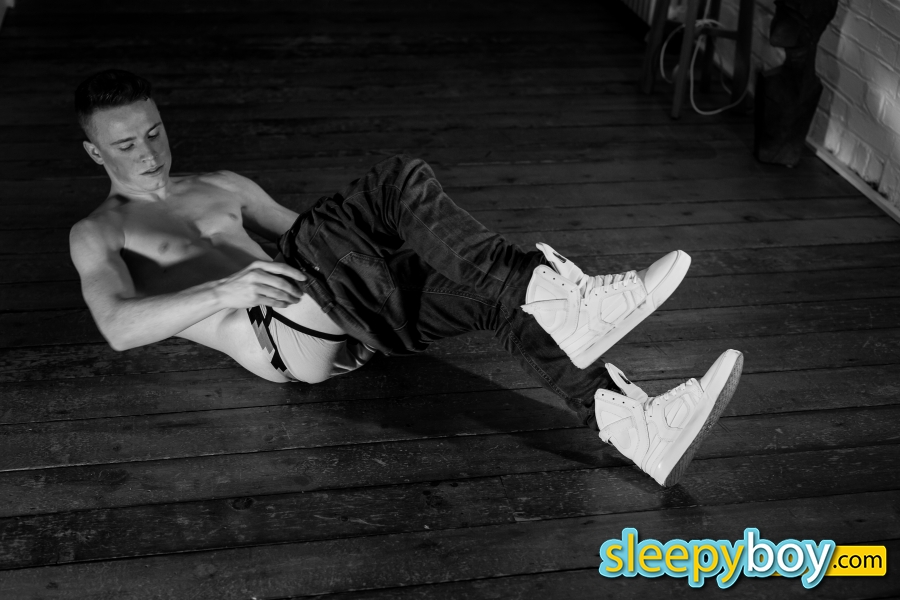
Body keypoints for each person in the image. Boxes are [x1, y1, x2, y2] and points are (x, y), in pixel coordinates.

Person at [69, 70, 743, 488]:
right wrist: (225, 290)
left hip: (343, 316)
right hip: (278, 335)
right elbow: (119, 328)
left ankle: (634, 426)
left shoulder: (223, 185)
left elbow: (316, 235)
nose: (149, 152)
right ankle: (556, 292)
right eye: (126, 145)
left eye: (154, 133)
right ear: (95, 152)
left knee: (495, 298)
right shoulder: (100, 231)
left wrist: (413, 246)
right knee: (396, 182)